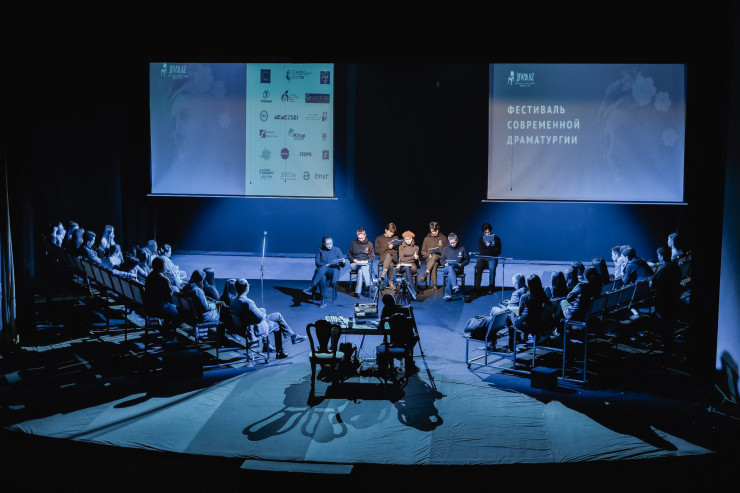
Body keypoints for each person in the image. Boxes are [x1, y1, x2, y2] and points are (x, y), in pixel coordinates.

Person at [231, 278, 306, 358]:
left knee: (276, 314)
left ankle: (290, 337)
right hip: (254, 328)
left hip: (242, 326)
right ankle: (280, 351)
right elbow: (260, 317)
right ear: (246, 288)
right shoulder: (248, 302)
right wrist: (264, 315)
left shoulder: (233, 300)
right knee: (277, 325)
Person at [505, 274, 552, 351]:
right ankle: (521, 339)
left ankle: (512, 345)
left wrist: (511, 307)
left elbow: (519, 313)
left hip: (528, 326)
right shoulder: (542, 295)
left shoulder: (525, 297)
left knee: (509, 314)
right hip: (539, 324)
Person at [650, 246, 682, 350]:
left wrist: (650, 281)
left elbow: (652, 284)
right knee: (670, 321)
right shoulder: (676, 266)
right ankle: (669, 341)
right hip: (674, 297)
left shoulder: (663, 268)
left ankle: (665, 343)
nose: (658, 257)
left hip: (663, 299)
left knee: (663, 321)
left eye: (658, 255)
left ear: (662, 256)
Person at [303, 235, 346, 308]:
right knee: (322, 276)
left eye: (331, 243)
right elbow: (317, 263)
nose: (329, 245)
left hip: (333, 272)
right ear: (323, 244)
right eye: (327, 244)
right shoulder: (320, 250)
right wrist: (327, 265)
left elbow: (342, 265)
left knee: (322, 268)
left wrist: (343, 262)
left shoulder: (337, 250)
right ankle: (323, 299)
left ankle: (312, 287)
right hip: (323, 272)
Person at [144, 256, 179, 337]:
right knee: (180, 310)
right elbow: (169, 298)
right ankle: (168, 329)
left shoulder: (150, 276)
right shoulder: (164, 280)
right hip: (160, 308)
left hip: (149, 306)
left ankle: (166, 328)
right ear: (163, 266)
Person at [419, 221, 448, 291]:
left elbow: (448, 250)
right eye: (432, 231)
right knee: (434, 263)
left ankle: (425, 275)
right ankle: (434, 285)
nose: (434, 233)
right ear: (430, 230)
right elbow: (422, 251)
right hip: (430, 259)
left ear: (438, 229)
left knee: (435, 256)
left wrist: (442, 254)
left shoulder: (444, 238)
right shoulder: (427, 238)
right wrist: (428, 255)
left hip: (440, 258)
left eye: (436, 231)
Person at [473, 223, 502, 295]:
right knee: (479, 267)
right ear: (483, 232)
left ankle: (491, 287)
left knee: (492, 268)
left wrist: (490, 245)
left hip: (492, 258)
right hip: (482, 258)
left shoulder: (496, 239)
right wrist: (490, 248)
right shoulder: (480, 239)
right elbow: (481, 251)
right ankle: (477, 287)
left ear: (490, 231)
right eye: (485, 232)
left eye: (488, 232)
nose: (487, 234)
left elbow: (498, 251)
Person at [440, 232, 469, 301]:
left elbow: (467, 260)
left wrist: (461, 264)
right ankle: (455, 286)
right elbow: (441, 260)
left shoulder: (462, 248)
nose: (453, 244)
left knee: (451, 273)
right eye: (451, 243)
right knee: (450, 268)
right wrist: (445, 264)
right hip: (447, 268)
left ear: (457, 240)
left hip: (457, 268)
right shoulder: (446, 248)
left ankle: (448, 294)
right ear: (449, 241)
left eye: (454, 242)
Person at [348, 227, 375, 298]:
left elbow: (372, 256)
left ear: (365, 235)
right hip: (355, 264)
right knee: (362, 267)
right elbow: (349, 255)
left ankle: (357, 292)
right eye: (359, 238)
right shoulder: (353, 243)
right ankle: (369, 285)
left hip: (365, 263)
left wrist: (367, 261)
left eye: (361, 238)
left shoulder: (369, 244)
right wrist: (353, 260)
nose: (360, 240)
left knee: (361, 271)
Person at [375, 223, 399, 289]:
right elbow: (377, 251)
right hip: (383, 258)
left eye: (393, 232)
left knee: (389, 255)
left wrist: (396, 245)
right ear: (386, 230)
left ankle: (383, 275)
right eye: (390, 232)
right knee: (390, 263)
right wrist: (388, 247)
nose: (392, 234)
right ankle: (390, 282)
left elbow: (399, 248)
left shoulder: (395, 238)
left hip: (394, 257)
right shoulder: (379, 239)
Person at [397, 230, 420, 300]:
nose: (408, 241)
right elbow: (402, 259)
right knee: (407, 268)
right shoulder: (401, 247)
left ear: (412, 239)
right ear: (404, 239)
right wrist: (413, 257)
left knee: (406, 272)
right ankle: (413, 291)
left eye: (409, 239)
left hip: (412, 266)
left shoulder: (416, 247)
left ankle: (405, 292)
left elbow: (414, 260)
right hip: (402, 266)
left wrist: (407, 259)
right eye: (406, 239)